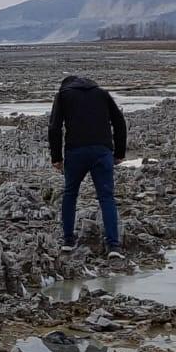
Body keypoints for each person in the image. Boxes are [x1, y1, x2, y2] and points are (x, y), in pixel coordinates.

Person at [48, 75, 127, 257]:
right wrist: (119, 153)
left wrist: (56, 157)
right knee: (106, 197)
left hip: (75, 152)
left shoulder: (63, 96)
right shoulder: (102, 94)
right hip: (102, 151)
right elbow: (119, 122)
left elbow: (54, 128)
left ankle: (68, 240)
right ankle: (113, 246)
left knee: (70, 193)